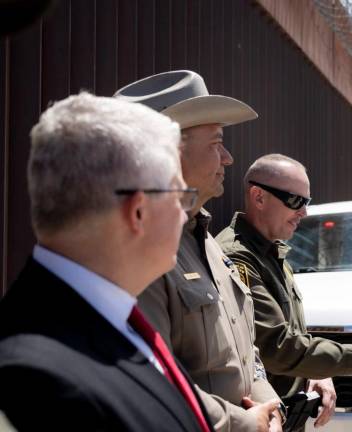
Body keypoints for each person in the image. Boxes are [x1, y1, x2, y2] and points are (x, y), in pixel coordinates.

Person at [0, 93, 217, 431]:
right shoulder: (39, 381)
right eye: (179, 195)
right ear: (138, 212)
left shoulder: (114, 321)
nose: (183, 212)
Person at [115, 70, 283, 432]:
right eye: (215, 144)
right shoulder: (141, 252)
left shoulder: (206, 241)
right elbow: (155, 381)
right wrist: (245, 422)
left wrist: (270, 408)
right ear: (170, 153)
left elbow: (245, 353)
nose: (228, 158)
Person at [216, 154, 352, 429]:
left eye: (307, 201)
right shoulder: (238, 257)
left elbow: (294, 337)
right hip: (263, 420)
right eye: (295, 201)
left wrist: (314, 372)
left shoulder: (273, 252)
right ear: (258, 197)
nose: (304, 212)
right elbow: (278, 348)